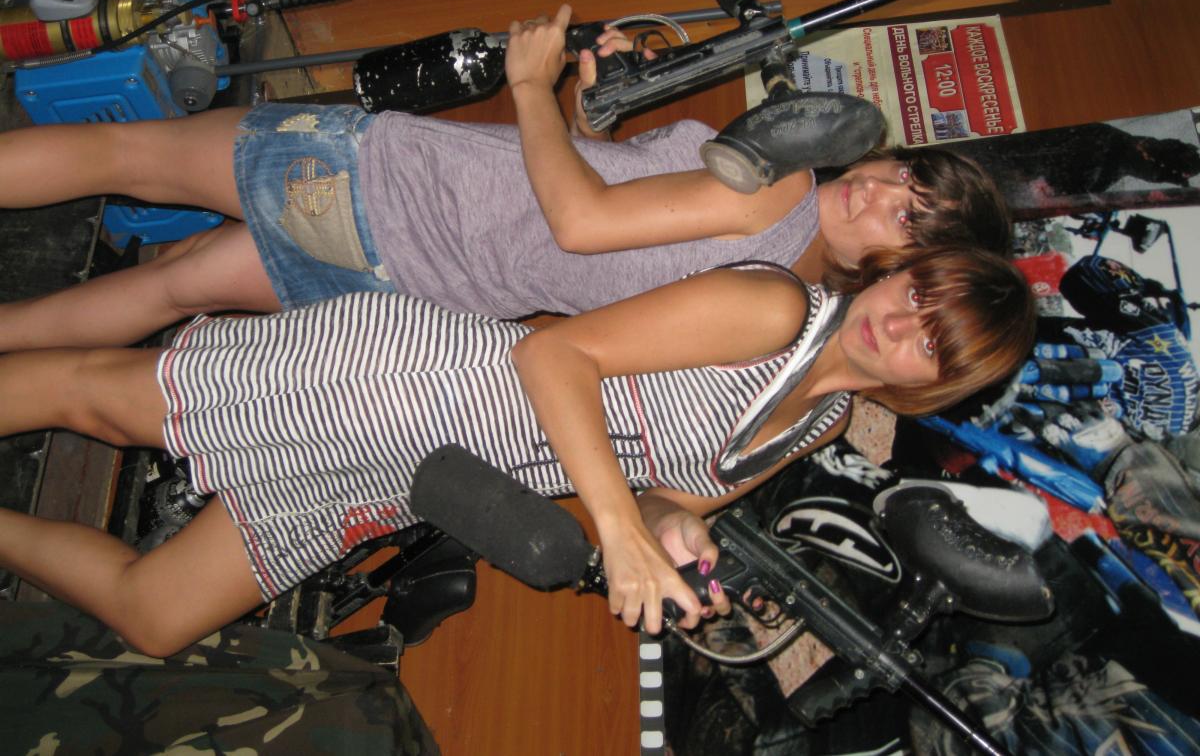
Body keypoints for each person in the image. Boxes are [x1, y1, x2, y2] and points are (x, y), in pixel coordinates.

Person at [0, 245, 1035, 656]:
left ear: (937, 382)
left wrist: (671, 540)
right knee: (104, 403)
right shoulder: (773, 311)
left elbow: (667, 495)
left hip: (424, 476)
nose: (900, 323)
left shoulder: (817, 423)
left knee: (157, 614)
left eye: (932, 341)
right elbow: (554, 354)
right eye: (917, 293)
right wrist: (620, 530)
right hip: (409, 380)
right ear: (897, 271)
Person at [0, 6, 1009, 351]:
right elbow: (599, 208)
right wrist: (594, 108)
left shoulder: (778, 194)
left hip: (393, 186)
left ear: (899, 267)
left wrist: (529, 85)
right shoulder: (785, 282)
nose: (881, 195)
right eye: (906, 178)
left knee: (129, 155)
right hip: (417, 275)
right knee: (173, 290)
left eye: (909, 221)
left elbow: (579, 225)